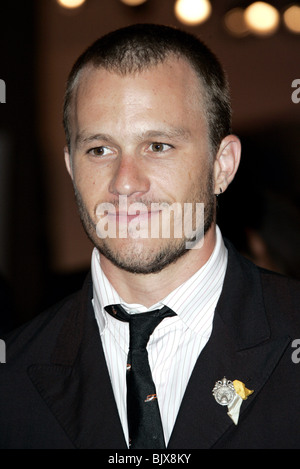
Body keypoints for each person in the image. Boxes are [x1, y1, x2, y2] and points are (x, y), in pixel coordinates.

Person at [0, 23, 299, 450]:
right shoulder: (12, 377)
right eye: (99, 149)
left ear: (223, 165)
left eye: (157, 146)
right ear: (71, 167)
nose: (125, 183)